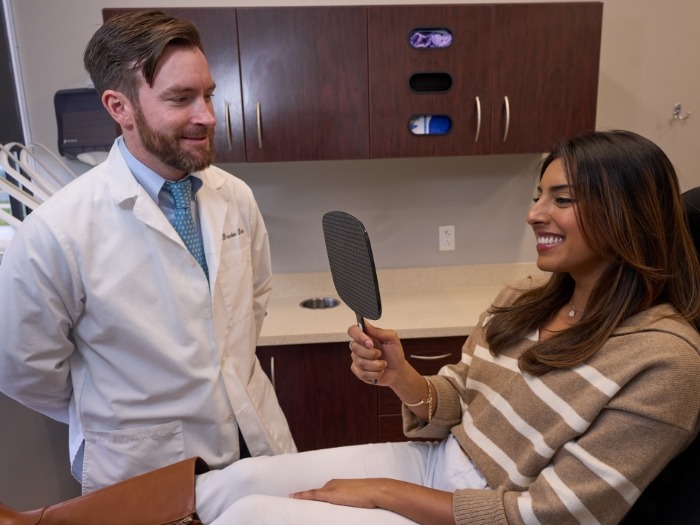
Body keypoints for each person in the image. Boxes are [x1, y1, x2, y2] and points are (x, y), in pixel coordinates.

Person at [1, 129, 698, 525]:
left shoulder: (664, 360)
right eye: (537, 194)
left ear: (628, 211)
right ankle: (42, 523)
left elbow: (561, 514)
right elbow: (459, 396)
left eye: (562, 199)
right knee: (227, 485)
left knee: (249, 519)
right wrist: (407, 379)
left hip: (482, 510)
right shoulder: (529, 301)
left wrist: (380, 491)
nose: (535, 213)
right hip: (435, 462)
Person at [0, 9, 295, 495]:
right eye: (181, 99)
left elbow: (254, 300)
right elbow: (23, 369)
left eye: (207, 95)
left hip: (254, 444)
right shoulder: (59, 231)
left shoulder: (235, 197)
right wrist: (118, 409)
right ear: (120, 107)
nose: (207, 116)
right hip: (146, 468)